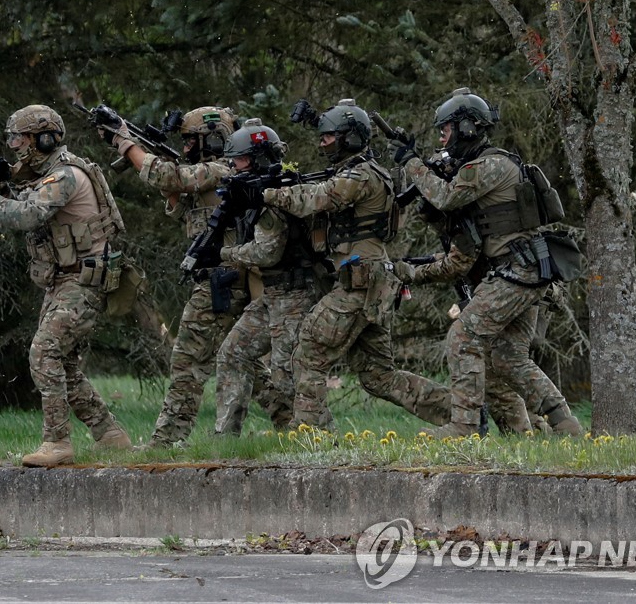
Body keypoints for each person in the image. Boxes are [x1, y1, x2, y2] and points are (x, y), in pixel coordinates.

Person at [392, 87, 582, 438]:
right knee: (508, 358)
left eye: (445, 129)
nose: (441, 137)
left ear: (466, 128)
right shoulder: (483, 165)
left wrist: (412, 163)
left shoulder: (491, 165)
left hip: (517, 271)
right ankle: (565, 425)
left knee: (463, 336)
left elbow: (446, 197)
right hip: (521, 272)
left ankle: (463, 428)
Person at [0, 104, 131, 467]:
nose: (15, 145)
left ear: (44, 138)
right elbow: (28, 204)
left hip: (83, 280)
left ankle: (57, 443)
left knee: (44, 353)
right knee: (62, 365)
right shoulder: (47, 175)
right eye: (13, 137)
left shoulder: (64, 175)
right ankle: (110, 435)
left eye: (21, 137)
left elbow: (26, 215)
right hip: (66, 280)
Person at [260, 99, 452, 431]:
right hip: (369, 281)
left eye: (329, 136)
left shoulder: (361, 175)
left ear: (350, 137)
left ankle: (309, 436)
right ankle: (461, 414)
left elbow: (314, 200)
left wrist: (268, 194)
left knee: (309, 351)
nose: (322, 143)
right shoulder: (358, 172)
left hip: (360, 281)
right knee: (379, 376)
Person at [104, 107, 273, 447]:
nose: (184, 149)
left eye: (190, 141)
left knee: (187, 362)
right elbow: (193, 212)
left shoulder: (224, 168)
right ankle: (299, 423)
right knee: (246, 365)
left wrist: (126, 143)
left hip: (221, 281)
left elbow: (170, 177)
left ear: (213, 138)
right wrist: (174, 198)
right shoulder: (217, 173)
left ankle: (166, 441)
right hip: (223, 278)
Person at [212, 119, 313, 435]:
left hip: (294, 294)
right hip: (272, 295)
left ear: (257, 159)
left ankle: (317, 440)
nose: (233, 165)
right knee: (232, 354)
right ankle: (225, 441)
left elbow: (267, 253)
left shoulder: (274, 194)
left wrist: (225, 254)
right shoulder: (254, 192)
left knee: (287, 377)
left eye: (239, 159)